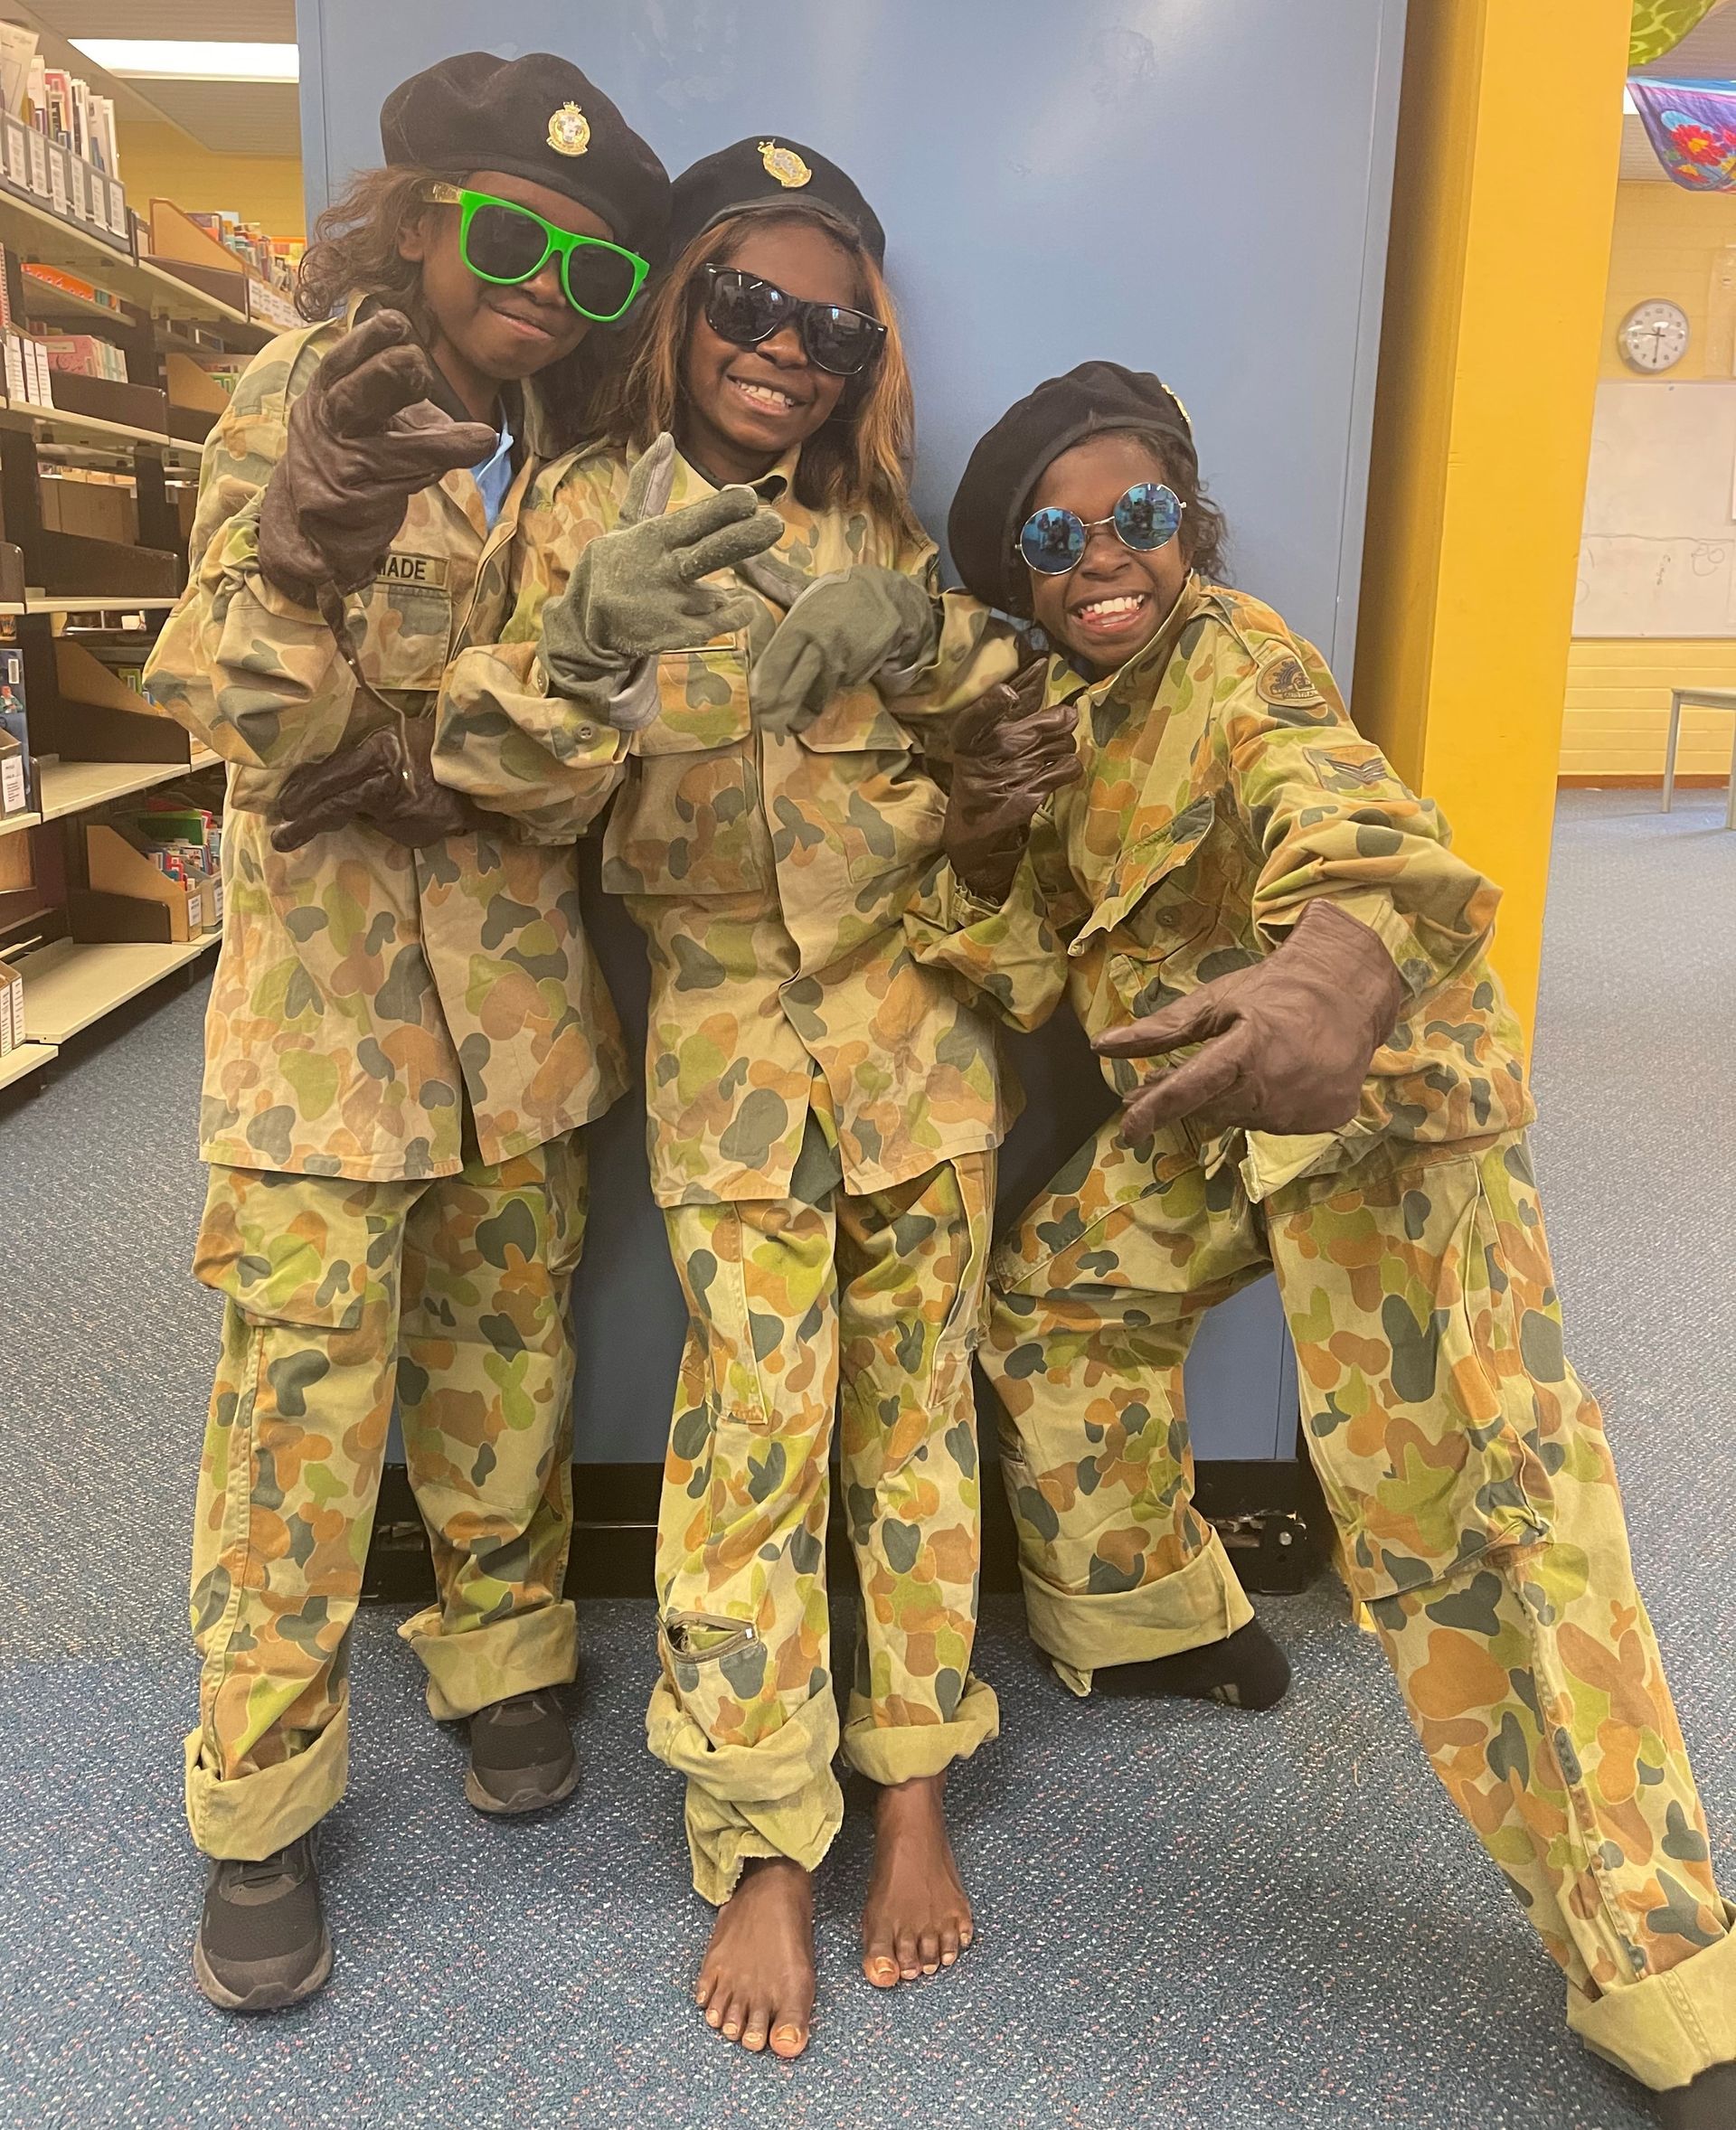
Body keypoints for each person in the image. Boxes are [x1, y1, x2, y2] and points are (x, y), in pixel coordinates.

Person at [902, 362, 1736, 2126]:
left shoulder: (1242, 656)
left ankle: (1663, 1968)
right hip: (1205, 1118)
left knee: (1480, 1509)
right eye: (1056, 537)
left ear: (1186, 524)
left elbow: (1348, 817)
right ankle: (1141, 1614)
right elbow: (1026, 965)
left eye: (1136, 517)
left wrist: (1332, 968)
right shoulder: (1053, 720)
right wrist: (976, 833)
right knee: (1054, 1297)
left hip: (1367, 1099)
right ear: (1024, 576)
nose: (1104, 558)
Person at [435, 137, 1018, 2059]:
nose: (787, 348)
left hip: (918, 1046)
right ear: (684, 304)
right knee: (751, 1438)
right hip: (724, 1058)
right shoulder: (585, 507)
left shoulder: (877, 521)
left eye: (830, 326)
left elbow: (1027, 733)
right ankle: (766, 1830)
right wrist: (580, 653)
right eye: (750, 303)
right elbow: (498, 795)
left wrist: (932, 637)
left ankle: (915, 1783)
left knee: (917, 1424)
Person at [140, 52, 669, 2012]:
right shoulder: (309, 397)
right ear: (428, 218)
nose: (546, 283)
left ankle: (505, 1649)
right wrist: (303, 553)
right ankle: (258, 1806)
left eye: (594, 269)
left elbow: (579, 766)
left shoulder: (594, 469)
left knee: (504, 1350)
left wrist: (437, 755)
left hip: (523, 1022)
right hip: (324, 1033)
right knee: (295, 1417)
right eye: (515, 233)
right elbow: (246, 723)